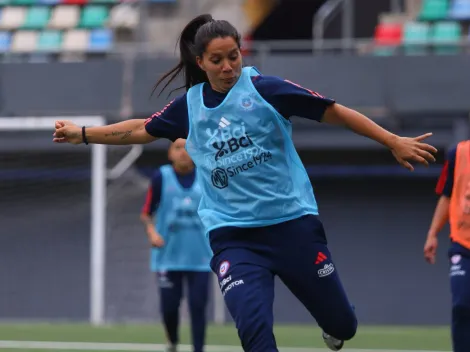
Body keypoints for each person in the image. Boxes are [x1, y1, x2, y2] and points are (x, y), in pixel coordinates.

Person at [53, 14, 437, 352]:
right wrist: (83, 133)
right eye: (216, 60)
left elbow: (332, 111)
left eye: (233, 56)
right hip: (234, 237)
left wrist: (391, 140)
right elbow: (141, 128)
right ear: (200, 62)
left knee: (343, 326)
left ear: (241, 53)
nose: (227, 67)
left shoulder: (266, 90)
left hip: (293, 227)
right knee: (254, 333)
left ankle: (333, 329)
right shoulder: (190, 106)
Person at [141, 138, 212, 352]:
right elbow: (146, 214)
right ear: (170, 153)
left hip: (200, 258)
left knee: (198, 307)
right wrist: (152, 233)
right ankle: (172, 340)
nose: (183, 153)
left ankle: (198, 349)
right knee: (169, 309)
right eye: (178, 148)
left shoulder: (206, 177)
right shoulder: (161, 177)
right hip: (168, 257)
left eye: (188, 148)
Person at [424, 141, 470, 352]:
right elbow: (447, 194)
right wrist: (433, 233)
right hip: (463, 243)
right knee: (461, 306)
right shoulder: (458, 153)